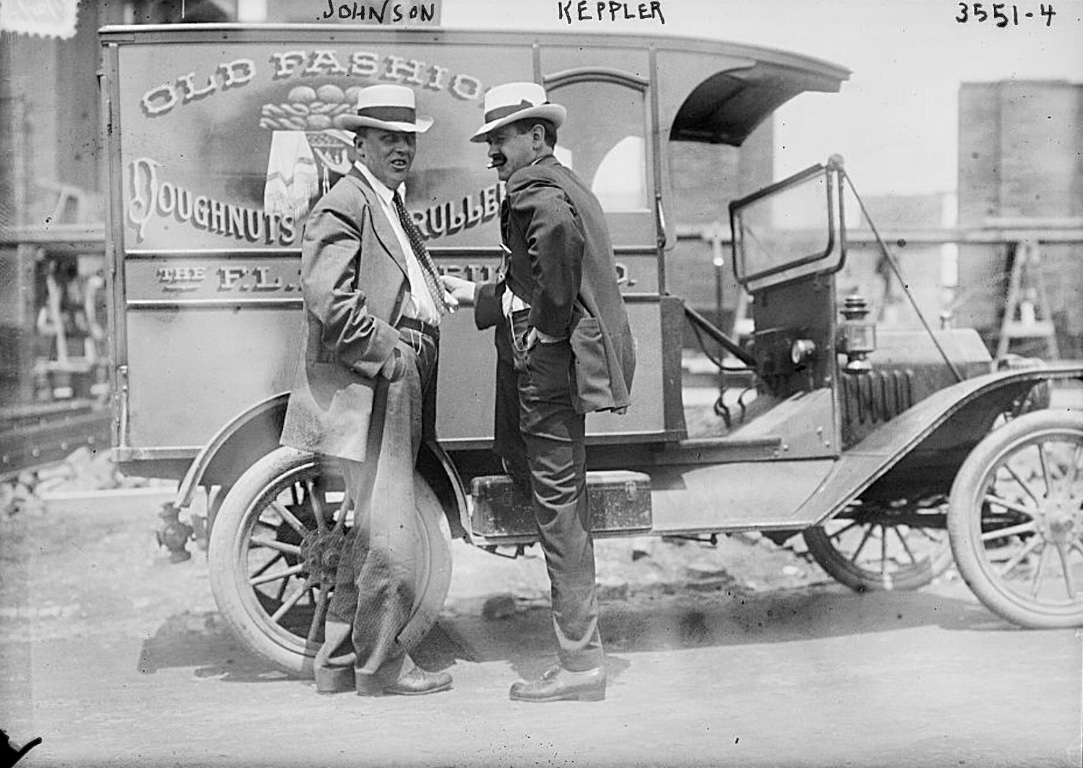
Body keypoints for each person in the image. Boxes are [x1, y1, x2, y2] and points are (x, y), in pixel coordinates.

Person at [442, 82, 635, 703]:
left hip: (545, 369)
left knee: (559, 510)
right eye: (490, 140)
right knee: (554, 497)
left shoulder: (534, 189)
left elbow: (556, 250)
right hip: (549, 367)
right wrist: (482, 297)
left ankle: (580, 664)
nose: (493, 152)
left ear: (536, 136)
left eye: (501, 138)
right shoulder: (562, 182)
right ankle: (582, 656)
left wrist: (545, 330)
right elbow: (531, 275)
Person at [280, 84, 454, 697]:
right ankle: (381, 665)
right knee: (389, 525)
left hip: (392, 375)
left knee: (369, 525)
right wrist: (394, 355)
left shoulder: (384, 202)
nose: (401, 149)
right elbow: (330, 303)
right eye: (387, 139)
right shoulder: (346, 202)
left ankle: (336, 663)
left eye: (408, 139)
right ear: (360, 145)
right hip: (381, 379)